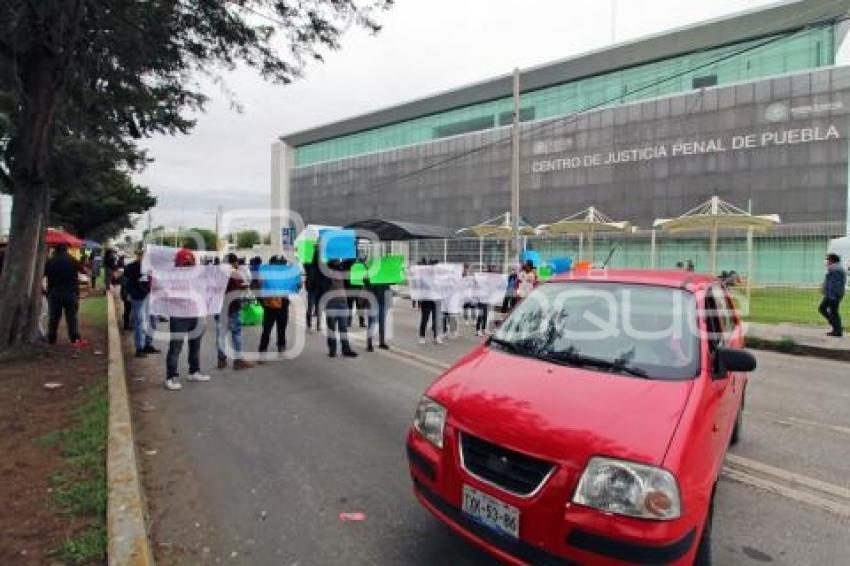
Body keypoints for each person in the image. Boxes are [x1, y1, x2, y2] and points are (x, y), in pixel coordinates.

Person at [163, 248, 212, 391]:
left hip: (195, 315)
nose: (188, 265)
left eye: (190, 262)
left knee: (195, 346)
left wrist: (204, 314)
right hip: (178, 317)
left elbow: (204, 293)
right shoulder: (170, 276)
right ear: (178, 263)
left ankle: (194, 371)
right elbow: (166, 293)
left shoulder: (197, 276)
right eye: (185, 262)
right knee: (175, 348)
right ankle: (170, 377)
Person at [217, 253, 255, 369]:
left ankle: (221, 360)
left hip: (219, 307)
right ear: (234, 262)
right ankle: (238, 360)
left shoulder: (217, 273)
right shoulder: (234, 273)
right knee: (236, 333)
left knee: (221, 335)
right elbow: (244, 286)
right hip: (232, 306)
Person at [124, 248, 160, 357]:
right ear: (138, 256)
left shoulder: (152, 267)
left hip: (151, 296)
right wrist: (129, 293)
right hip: (138, 297)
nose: (143, 257)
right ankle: (139, 348)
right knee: (139, 322)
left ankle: (147, 344)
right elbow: (126, 282)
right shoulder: (131, 267)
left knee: (153, 321)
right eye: (141, 255)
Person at [44, 244, 83, 344]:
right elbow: (82, 270)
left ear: (55, 250)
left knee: (54, 317)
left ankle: (52, 337)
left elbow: (43, 273)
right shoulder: (72, 260)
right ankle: (74, 337)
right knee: (71, 317)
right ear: (66, 250)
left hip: (55, 292)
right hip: (71, 292)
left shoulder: (50, 261)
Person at [258, 256, 293, 358]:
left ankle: (275, 347)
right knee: (272, 328)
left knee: (273, 327)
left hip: (276, 303)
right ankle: (271, 349)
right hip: (273, 303)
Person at [323, 260, 357, 357]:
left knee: (343, 328)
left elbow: (350, 262)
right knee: (332, 328)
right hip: (331, 304)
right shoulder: (326, 276)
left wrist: (354, 247)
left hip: (343, 304)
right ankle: (332, 350)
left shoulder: (343, 274)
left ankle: (345, 349)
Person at [819, 253, 846, 337]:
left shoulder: (835, 269)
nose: (826, 261)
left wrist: (831, 296)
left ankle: (837, 329)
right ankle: (837, 329)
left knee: (824, 309)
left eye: (828, 260)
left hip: (833, 295)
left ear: (832, 260)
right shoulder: (837, 268)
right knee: (833, 312)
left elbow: (834, 284)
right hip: (833, 294)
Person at [365, 276, 391, 352]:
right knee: (371, 322)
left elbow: (393, 281)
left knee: (382, 322)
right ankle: (369, 343)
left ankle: (381, 342)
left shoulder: (385, 270)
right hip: (373, 298)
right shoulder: (371, 268)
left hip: (383, 299)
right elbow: (365, 282)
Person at [305, 259, 322, 331]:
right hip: (319, 289)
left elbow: (305, 264)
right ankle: (318, 325)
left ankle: (309, 323)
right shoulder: (322, 268)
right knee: (319, 307)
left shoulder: (309, 267)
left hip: (311, 290)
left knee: (310, 307)